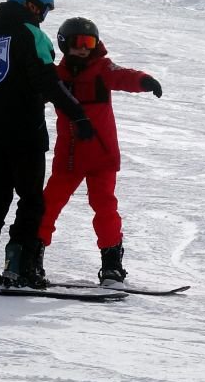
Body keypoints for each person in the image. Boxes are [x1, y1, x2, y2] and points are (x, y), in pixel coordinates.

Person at [0, 0, 95, 289]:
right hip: (24, 132)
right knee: (31, 201)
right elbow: (48, 82)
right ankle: (21, 268)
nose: (43, 17)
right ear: (31, 5)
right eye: (43, 11)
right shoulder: (33, 35)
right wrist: (78, 116)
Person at [37, 17, 162, 287]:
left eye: (89, 43)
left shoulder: (102, 68)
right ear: (64, 45)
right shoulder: (57, 76)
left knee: (105, 207)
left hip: (101, 157)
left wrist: (144, 81)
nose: (83, 48)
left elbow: (122, 75)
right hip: (69, 157)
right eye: (77, 43)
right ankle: (33, 257)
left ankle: (112, 266)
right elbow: (35, 92)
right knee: (48, 205)